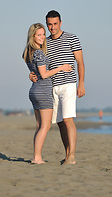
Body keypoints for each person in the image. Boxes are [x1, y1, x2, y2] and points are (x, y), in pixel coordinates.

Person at [30, 11, 85, 164]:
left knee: (68, 120)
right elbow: (38, 64)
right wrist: (31, 74)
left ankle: (72, 157)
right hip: (52, 87)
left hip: (68, 84)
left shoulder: (72, 38)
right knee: (60, 122)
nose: (52, 27)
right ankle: (67, 154)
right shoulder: (44, 42)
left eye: (55, 24)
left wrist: (81, 83)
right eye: (49, 24)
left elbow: (80, 62)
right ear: (46, 24)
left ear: (60, 22)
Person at [23, 23, 72, 164]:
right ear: (32, 36)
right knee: (45, 126)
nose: (42, 37)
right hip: (43, 90)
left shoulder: (29, 52)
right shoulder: (38, 52)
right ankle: (37, 157)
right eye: (39, 35)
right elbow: (44, 74)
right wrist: (61, 67)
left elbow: (35, 71)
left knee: (39, 126)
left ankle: (36, 155)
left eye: (43, 34)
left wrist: (31, 75)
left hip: (34, 90)